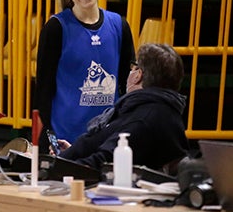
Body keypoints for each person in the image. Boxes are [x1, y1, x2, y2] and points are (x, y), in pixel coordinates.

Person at [34, 0, 134, 148]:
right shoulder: (56, 28)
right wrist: (49, 140)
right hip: (65, 141)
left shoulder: (119, 25)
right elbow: (43, 91)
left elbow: (128, 85)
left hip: (106, 141)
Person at [57, 42, 189, 172]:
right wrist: (73, 153)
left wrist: (59, 168)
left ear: (138, 75)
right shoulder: (148, 108)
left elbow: (104, 163)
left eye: (134, 67)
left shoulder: (145, 118)